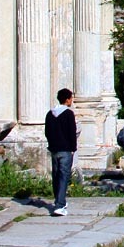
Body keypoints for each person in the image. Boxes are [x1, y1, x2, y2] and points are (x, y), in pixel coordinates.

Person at [44, 88, 77, 217]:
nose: (71, 101)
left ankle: (59, 200)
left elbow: (47, 132)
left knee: (56, 175)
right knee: (64, 176)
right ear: (68, 99)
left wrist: (52, 144)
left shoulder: (50, 114)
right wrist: (73, 148)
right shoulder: (68, 114)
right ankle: (59, 205)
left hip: (54, 149)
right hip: (65, 149)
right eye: (71, 98)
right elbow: (71, 133)